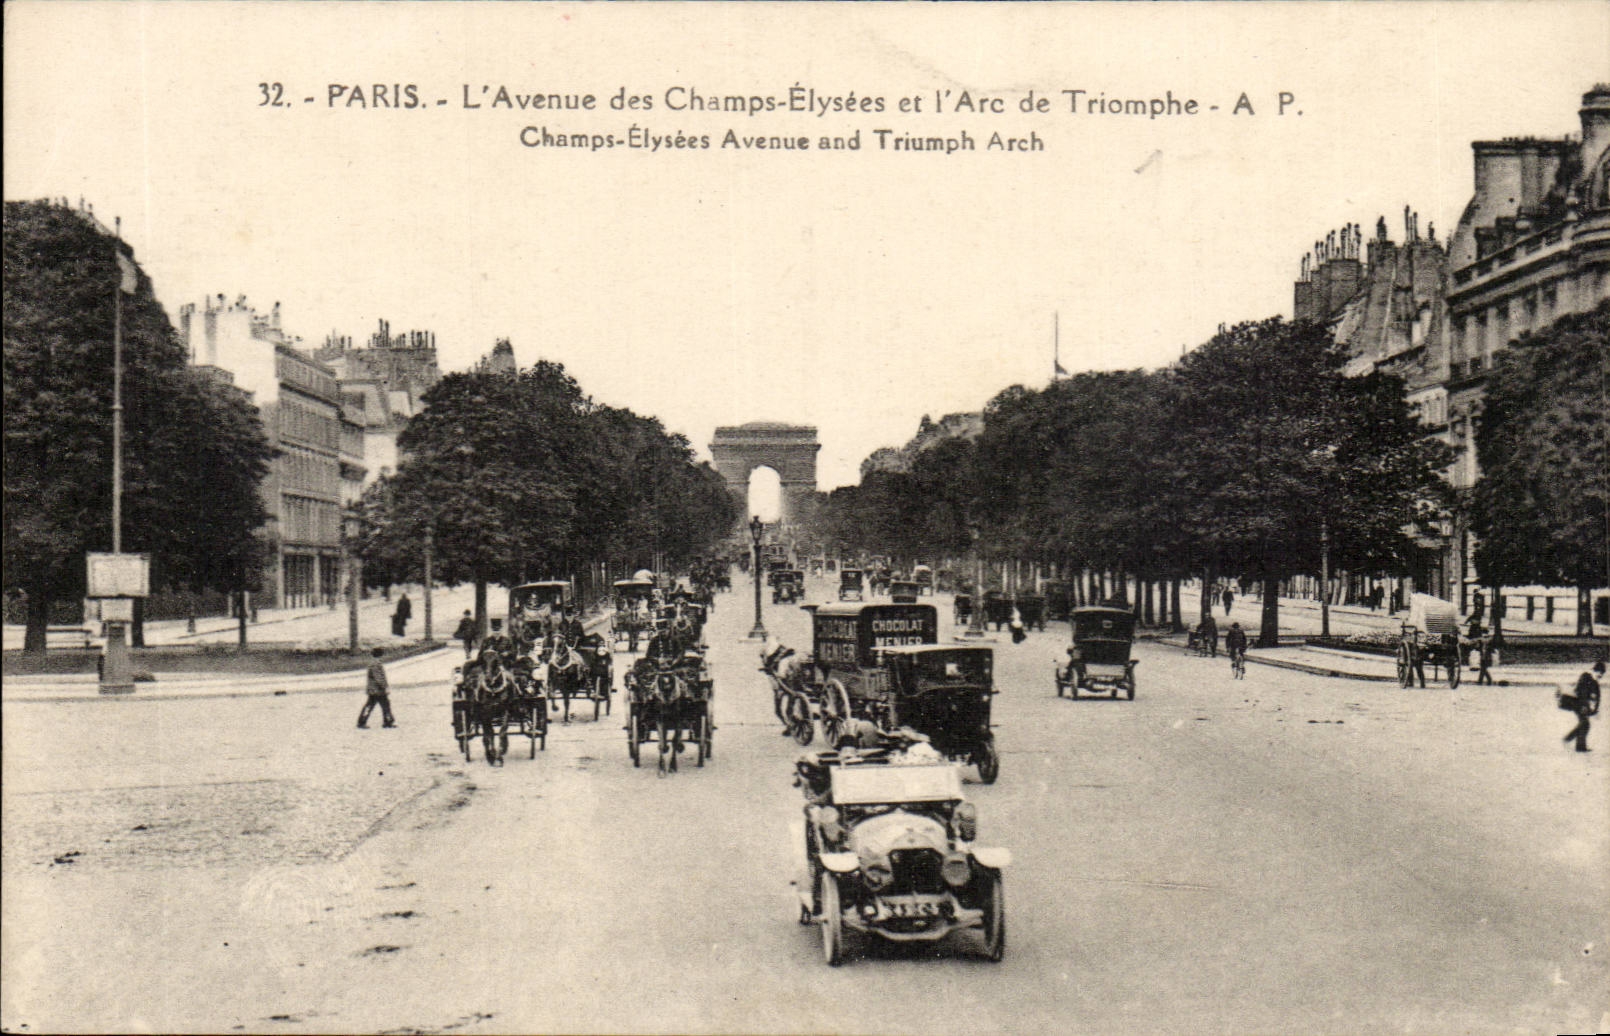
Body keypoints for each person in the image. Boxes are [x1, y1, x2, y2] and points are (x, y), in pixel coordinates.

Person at [1560, 661, 1603, 753]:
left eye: (1602, 674)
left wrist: (1594, 711)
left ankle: (1579, 746)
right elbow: (1582, 693)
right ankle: (1569, 740)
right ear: (1596, 670)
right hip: (1577, 703)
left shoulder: (1593, 681)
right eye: (1600, 673)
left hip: (1582, 705)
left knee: (1585, 723)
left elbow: (1596, 698)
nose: (1601, 675)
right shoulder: (1586, 677)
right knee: (1584, 723)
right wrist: (1584, 706)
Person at [357, 647, 396, 728]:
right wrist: (385, 687)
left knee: (370, 706)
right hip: (378, 690)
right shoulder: (376, 664)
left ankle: (362, 721)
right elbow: (378, 677)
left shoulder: (373, 663)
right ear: (381, 655)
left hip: (373, 689)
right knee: (385, 705)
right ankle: (388, 721)